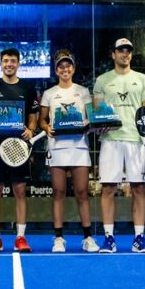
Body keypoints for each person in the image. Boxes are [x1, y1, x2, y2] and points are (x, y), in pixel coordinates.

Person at [93, 38, 145, 253]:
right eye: (121, 50)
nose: (125, 54)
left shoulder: (142, 79)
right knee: (108, 188)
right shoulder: (102, 80)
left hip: (137, 140)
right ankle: (108, 239)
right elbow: (97, 111)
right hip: (110, 140)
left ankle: (139, 238)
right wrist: (99, 125)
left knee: (139, 188)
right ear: (113, 54)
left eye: (128, 51)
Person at [0, 48, 39, 253]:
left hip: (18, 147)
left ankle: (20, 237)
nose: (9, 64)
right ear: (1, 63)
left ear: (18, 63)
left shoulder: (27, 87)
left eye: (13, 61)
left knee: (20, 191)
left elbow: (33, 115)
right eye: (5, 61)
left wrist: (31, 130)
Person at [40, 50, 100, 252]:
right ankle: (58, 238)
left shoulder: (83, 91)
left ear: (73, 68)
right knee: (58, 192)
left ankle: (88, 237)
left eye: (68, 66)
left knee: (82, 192)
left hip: (79, 146)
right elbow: (42, 120)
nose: (65, 69)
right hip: (57, 147)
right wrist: (47, 127)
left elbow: (91, 117)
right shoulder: (49, 94)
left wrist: (88, 124)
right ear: (56, 70)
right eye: (61, 66)